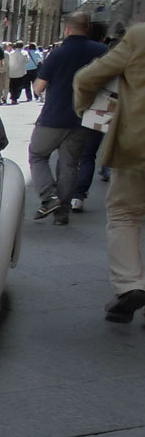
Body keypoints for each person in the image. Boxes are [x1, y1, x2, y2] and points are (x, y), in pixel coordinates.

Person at [73, 23, 145, 321]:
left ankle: (130, 285)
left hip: (137, 145)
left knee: (124, 214)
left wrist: (84, 109)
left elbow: (87, 77)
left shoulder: (140, 36)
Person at [28, 11, 107, 225]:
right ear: (88, 27)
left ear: (66, 29)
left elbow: (39, 87)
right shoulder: (102, 52)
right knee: (70, 164)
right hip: (84, 117)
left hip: (54, 116)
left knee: (37, 154)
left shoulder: (58, 53)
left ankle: (49, 196)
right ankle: (62, 213)